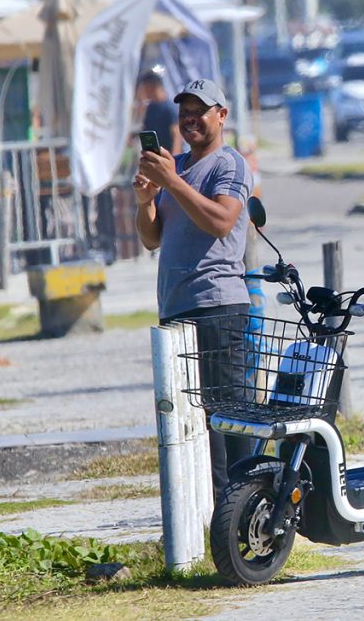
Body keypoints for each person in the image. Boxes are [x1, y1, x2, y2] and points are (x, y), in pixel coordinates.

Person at [133, 77, 254, 497]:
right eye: (184, 113)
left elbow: (221, 222)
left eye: (200, 112)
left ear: (221, 115)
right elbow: (152, 239)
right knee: (190, 422)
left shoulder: (229, 164)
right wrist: (146, 201)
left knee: (229, 421)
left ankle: (242, 512)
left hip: (218, 307)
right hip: (176, 308)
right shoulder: (177, 166)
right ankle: (212, 515)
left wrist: (173, 183)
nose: (190, 120)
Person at [137, 69, 183, 156]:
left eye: (146, 88)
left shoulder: (169, 108)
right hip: (154, 155)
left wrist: (175, 156)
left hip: (168, 155)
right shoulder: (150, 108)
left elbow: (176, 134)